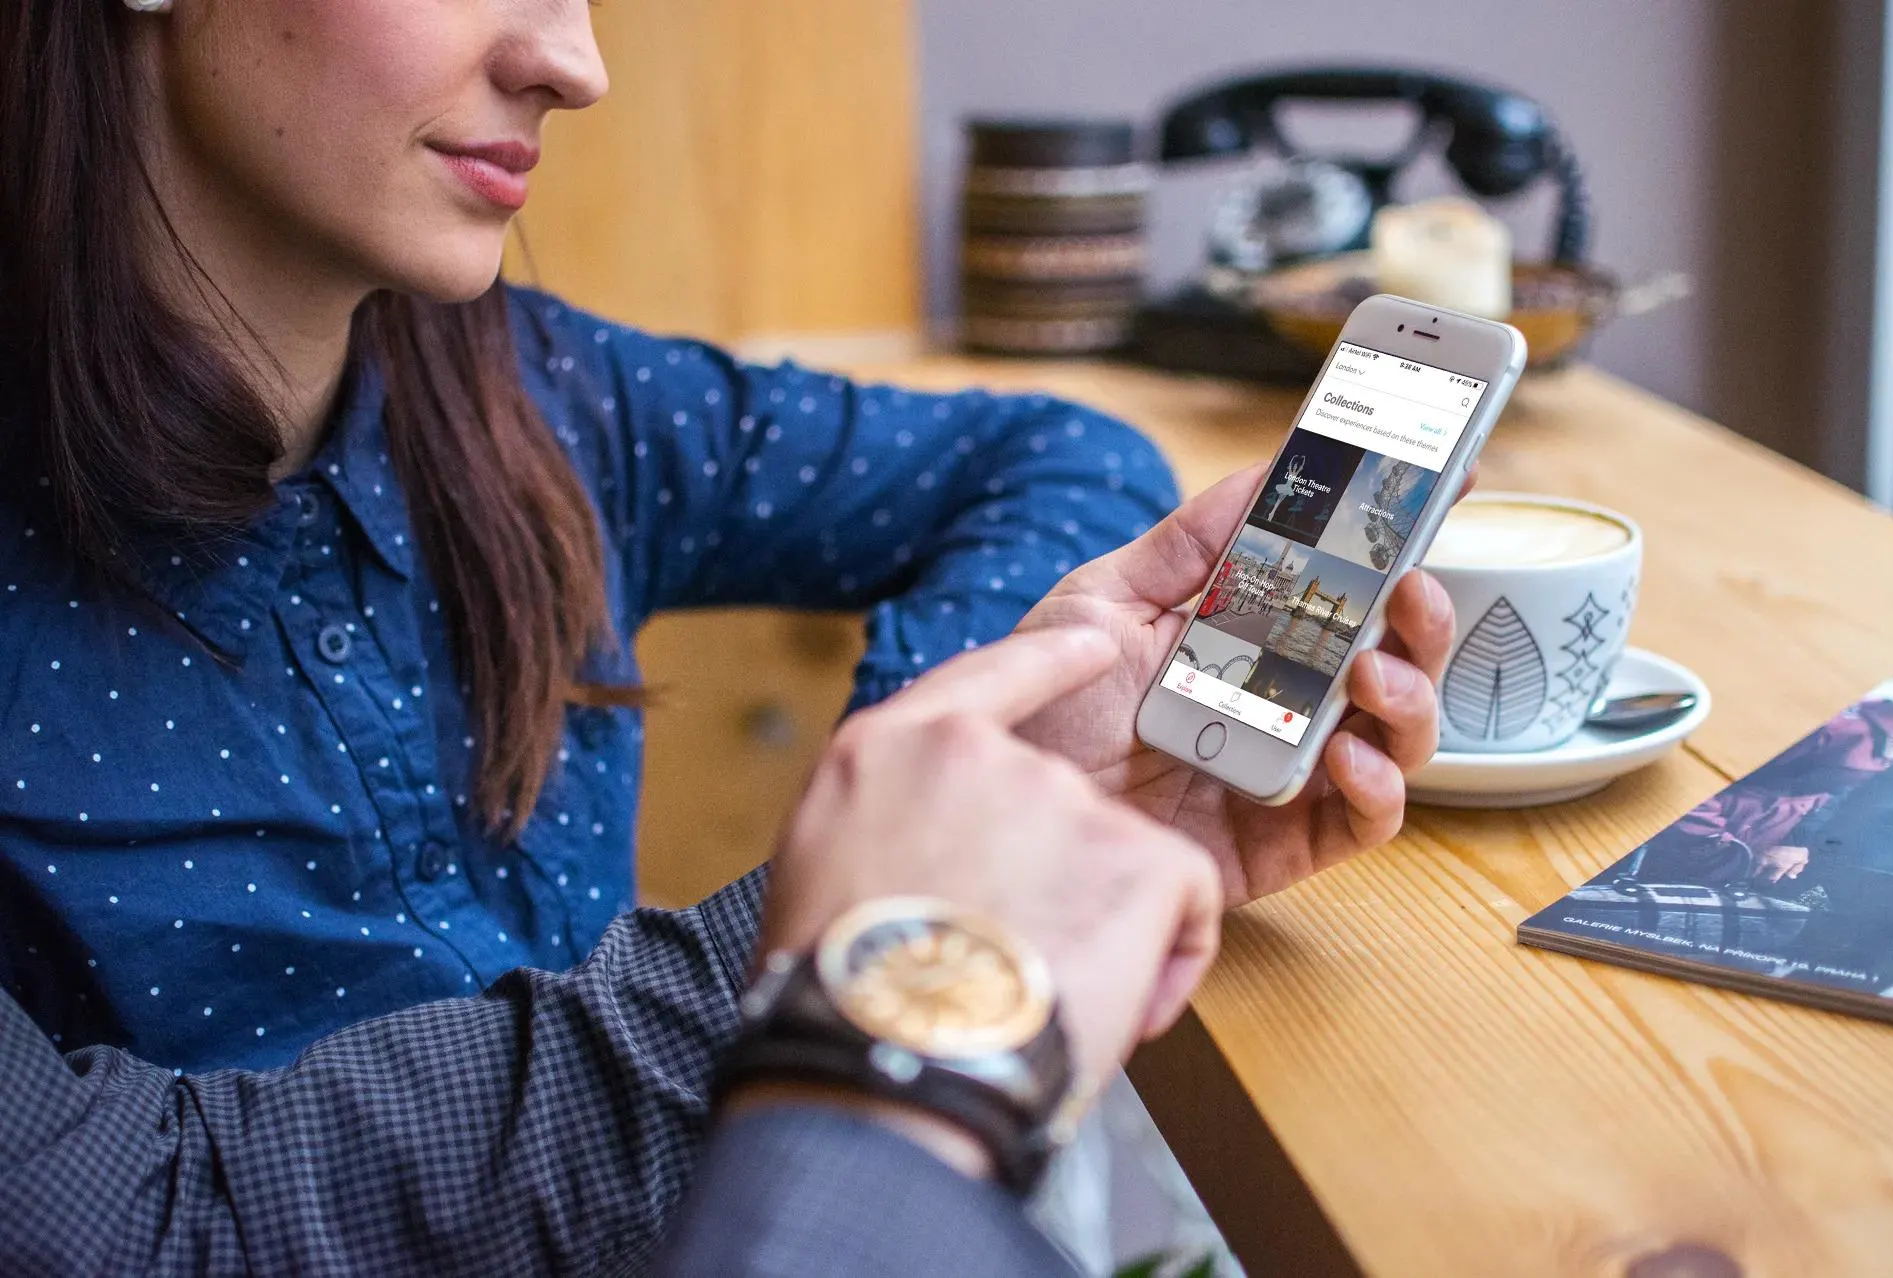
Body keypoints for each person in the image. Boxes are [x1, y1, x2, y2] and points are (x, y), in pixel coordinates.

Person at [0, 0, 1456, 1270]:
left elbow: (1053, 456)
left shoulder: (550, 396)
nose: (575, 64)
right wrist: (853, 940)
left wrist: (947, 769)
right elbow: (138, 1227)